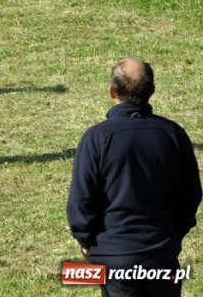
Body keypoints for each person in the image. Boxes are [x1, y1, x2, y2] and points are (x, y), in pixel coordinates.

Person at [67, 58, 202, 297]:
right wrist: (174, 236)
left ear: (112, 91)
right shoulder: (173, 134)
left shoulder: (96, 138)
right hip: (161, 254)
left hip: (115, 258)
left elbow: (81, 199)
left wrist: (86, 241)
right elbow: (190, 195)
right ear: (152, 90)